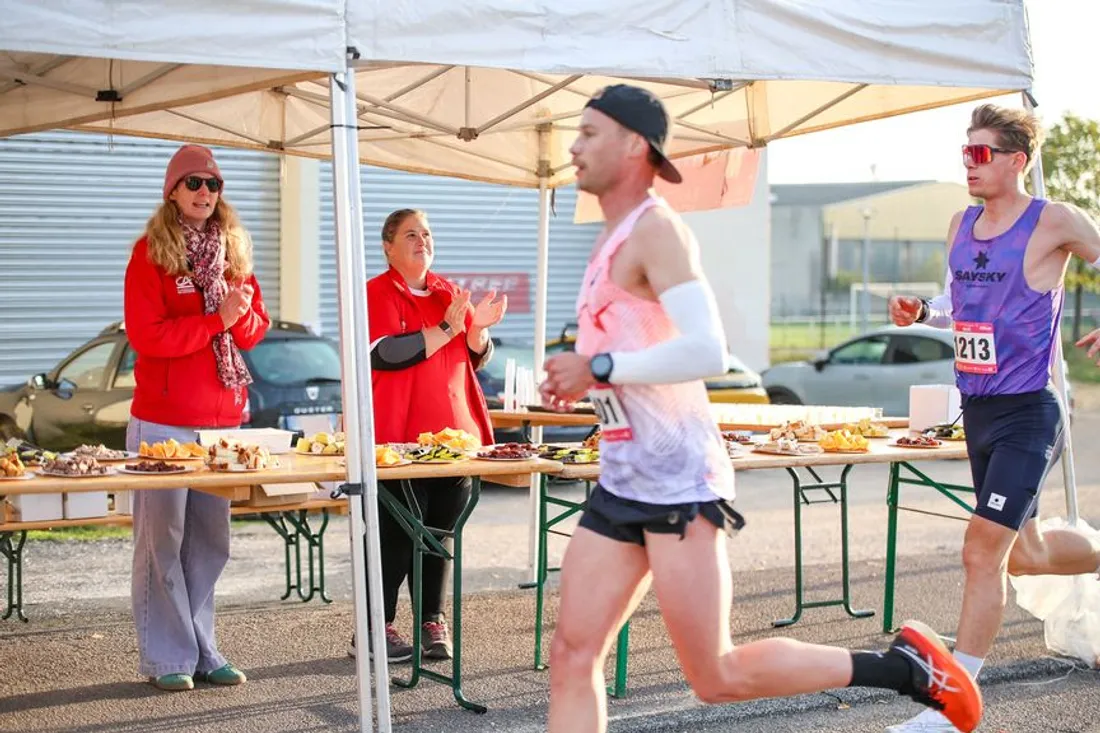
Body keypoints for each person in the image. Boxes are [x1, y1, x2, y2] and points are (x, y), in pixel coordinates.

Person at [539, 84, 984, 733]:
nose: (573, 147)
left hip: (678, 485)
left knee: (716, 676)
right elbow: (636, 350)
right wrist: (584, 377)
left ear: (635, 145)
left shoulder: (656, 229)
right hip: (622, 477)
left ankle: (901, 668)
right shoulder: (608, 239)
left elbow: (708, 349)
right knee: (571, 654)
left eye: (588, 133)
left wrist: (600, 367)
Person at [885, 104, 1100, 731]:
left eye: (981, 153)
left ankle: (953, 704)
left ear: (1016, 161)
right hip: (977, 409)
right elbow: (962, 303)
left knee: (981, 552)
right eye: (966, 152)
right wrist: (922, 310)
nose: (969, 164)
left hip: (1030, 410)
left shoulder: (1053, 220)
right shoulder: (961, 224)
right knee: (1025, 554)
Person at [123, 144, 270, 691]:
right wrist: (216, 320)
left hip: (221, 424)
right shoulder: (150, 254)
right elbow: (148, 336)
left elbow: (253, 331)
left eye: (213, 184)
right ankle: (168, 658)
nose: (204, 192)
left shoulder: (234, 252)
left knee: (210, 542)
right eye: (193, 183)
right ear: (173, 191)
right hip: (162, 423)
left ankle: (204, 649)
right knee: (161, 542)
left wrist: (239, 314)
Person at [349, 208, 507, 662]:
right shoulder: (375, 293)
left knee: (441, 533)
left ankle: (431, 622)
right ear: (388, 247)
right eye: (411, 235)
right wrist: (448, 328)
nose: (422, 241)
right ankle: (374, 627)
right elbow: (384, 353)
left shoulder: (448, 292)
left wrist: (478, 330)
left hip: (455, 439)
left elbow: (474, 356)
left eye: (427, 233)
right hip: (398, 440)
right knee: (396, 534)